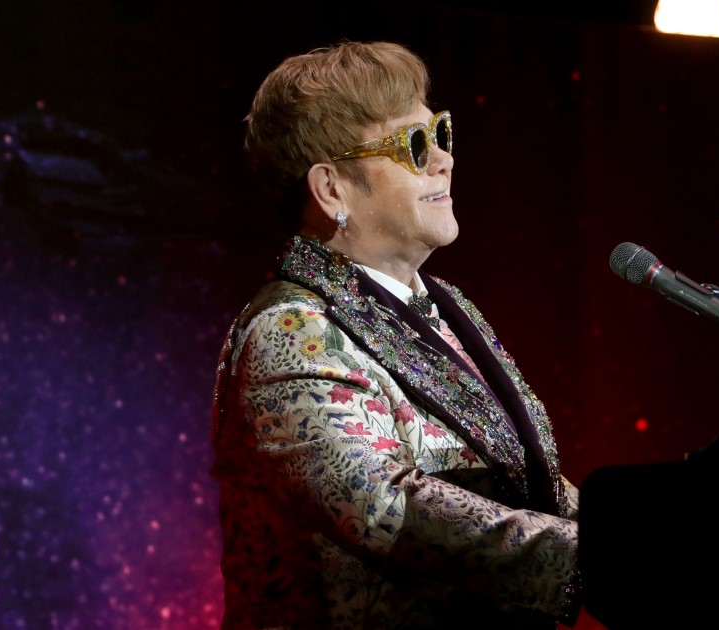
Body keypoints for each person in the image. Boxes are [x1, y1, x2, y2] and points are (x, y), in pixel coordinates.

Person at [209, 40, 583, 630]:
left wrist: (651, 539)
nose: (444, 160)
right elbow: (389, 509)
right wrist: (603, 561)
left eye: (441, 133)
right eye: (413, 145)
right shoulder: (291, 328)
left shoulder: (447, 306)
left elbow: (524, 480)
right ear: (332, 189)